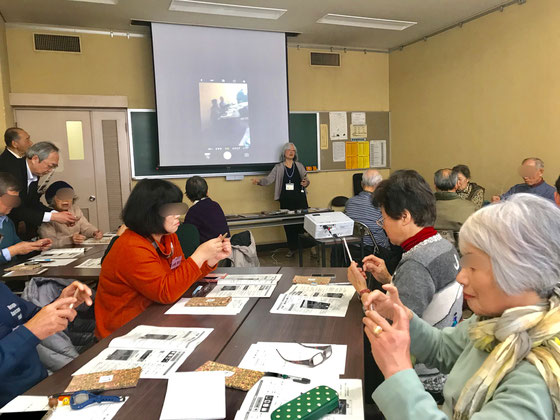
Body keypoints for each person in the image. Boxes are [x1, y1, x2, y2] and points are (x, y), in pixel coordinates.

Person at [359, 194, 559, 419]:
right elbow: (443, 348)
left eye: (473, 266)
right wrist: (404, 317)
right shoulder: (496, 320)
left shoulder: (537, 377)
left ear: (522, 273)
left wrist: (398, 370)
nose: (461, 277)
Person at [347, 170, 462, 399]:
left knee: (349, 356)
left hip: (422, 375)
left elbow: (390, 327)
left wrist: (362, 288)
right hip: (446, 362)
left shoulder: (417, 263)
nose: (382, 225)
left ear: (405, 217)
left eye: (384, 217)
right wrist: (388, 277)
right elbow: (422, 299)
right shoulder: (441, 246)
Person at [95, 179, 231, 339]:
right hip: (125, 331)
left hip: (157, 315)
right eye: (171, 211)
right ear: (150, 212)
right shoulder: (131, 246)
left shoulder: (168, 237)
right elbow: (166, 292)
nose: (178, 216)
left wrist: (210, 259)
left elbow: (181, 278)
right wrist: (199, 255)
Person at [0, 279, 92, 407]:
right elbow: (32, 327)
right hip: (10, 403)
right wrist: (30, 331)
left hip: (41, 389)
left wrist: (59, 306)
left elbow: (31, 315)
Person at [6, 142, 76, 240]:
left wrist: (56, 213)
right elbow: (14, 208)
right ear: (35, 159)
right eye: (50, 166)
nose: (50, 170)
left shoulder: (34, 173)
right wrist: (53, 217)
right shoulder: (12, 171)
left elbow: (33, 203)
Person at [252, 142, 310, 257]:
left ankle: (308, 247)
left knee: (303, 224)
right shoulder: (278, 167)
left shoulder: (299, 165)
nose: (291, 152)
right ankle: (292, 248)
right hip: (286, 200)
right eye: (289, 150)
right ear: (284, 152)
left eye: (293, 151)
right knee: (288, 226)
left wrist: (306, 182)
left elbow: (306, 179)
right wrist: (259, 182)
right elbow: (269, 180)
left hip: (300, 199)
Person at [345, 169, 401, 273]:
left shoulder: (350, 202)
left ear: (362, 184)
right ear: (379, 185)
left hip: (354, 249)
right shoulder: (381, 203)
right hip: (377, 249)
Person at [0, 172, 52, 265]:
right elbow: (15, 249)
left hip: (11, 275)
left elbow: (18, 245)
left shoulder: (7, 222)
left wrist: (35, 245)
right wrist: (14, 250)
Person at [38, 181, 103, 247]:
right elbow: (50, 243)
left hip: (77, 249)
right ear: (51, 200)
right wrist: (70, 240)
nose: (66, 200)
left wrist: (94, 232)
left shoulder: (75, 210)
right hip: (59, 252)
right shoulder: (47, 215)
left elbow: (86, 228)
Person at [183, 176, 229, 243]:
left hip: (211, 250)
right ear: (207, 192)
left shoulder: (193, 212)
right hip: (226, 246)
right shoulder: (216, 205)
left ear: (187, 196)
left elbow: (187, 236)